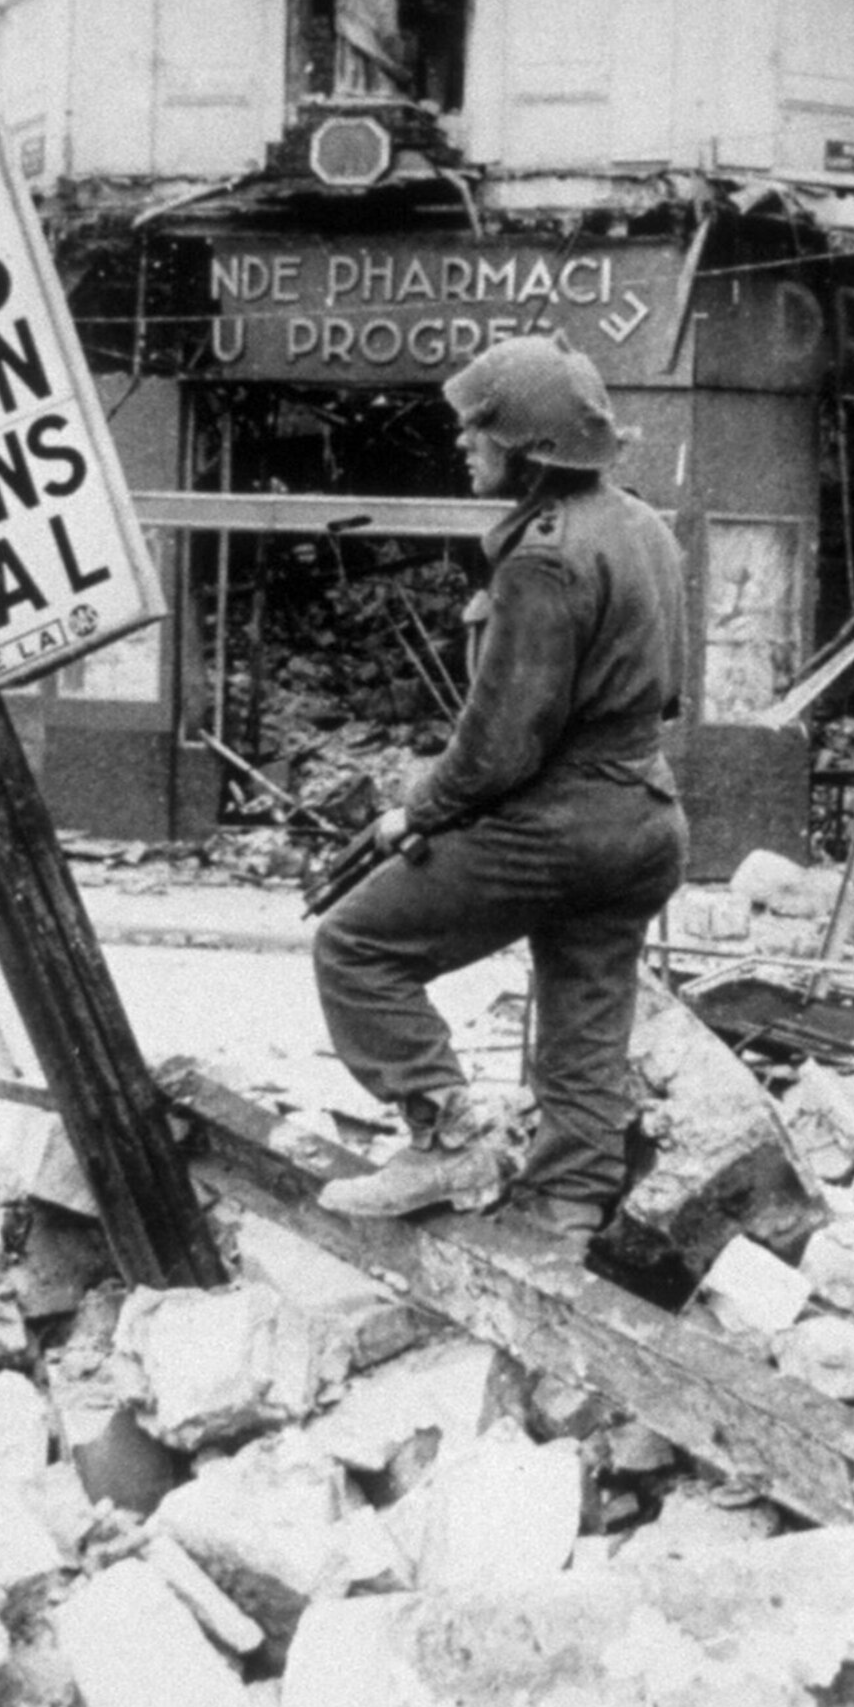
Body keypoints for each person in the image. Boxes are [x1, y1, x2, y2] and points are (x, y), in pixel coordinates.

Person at [311, 337, 689, 1242]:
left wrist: (419, 810)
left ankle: (448, 1138)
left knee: (355, 946)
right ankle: (566, 1208)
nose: (463, 444)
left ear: (529, 446)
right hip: (643, 818)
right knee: (584, 1020)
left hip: (558, 821)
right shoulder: (642, 526)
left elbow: (498, 749)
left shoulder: (542, 559)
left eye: (478, 429)